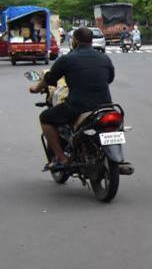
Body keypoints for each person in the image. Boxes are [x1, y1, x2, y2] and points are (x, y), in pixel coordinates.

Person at [29, 26, 115, 170]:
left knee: (45, 117)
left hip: (78, 107)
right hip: (105, 106)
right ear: (91, 40)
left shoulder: (67, 59)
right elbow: (110, 78)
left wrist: (35, 88)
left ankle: (62, 159)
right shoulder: (104, 58)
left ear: (74, 40)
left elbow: (50, 78)